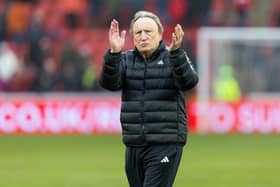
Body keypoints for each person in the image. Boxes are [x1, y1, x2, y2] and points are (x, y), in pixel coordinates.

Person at [99, 10, 198, 187]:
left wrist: (176, 54)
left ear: (160, 34)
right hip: (134, 144)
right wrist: (113, 54)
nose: (143, 37)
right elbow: (109, 84)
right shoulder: (125, 59)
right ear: (133, 37)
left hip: (165, 142)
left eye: (148, 32)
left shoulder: (173, 57)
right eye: (138, 33)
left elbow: (189, 82)